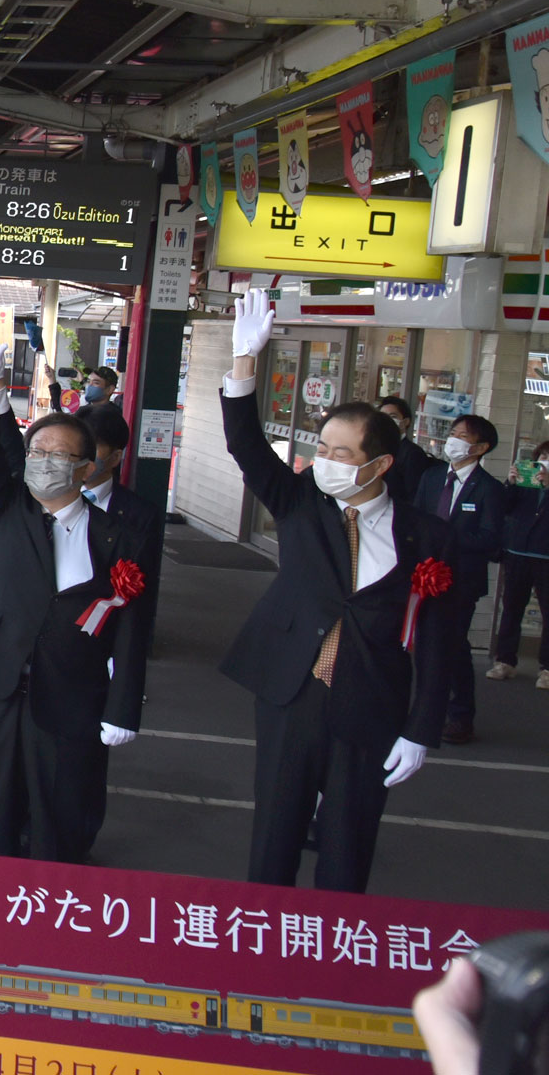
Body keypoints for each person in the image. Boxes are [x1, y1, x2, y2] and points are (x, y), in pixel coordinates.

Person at [221, 288, 451, 893]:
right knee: (275, 828)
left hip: (371, 699)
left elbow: (438, 637)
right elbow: (246, 447)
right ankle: (262, 940)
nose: (324, 461)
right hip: (291, 687)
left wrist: (422, 727)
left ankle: (332, 948)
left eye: (340, 454)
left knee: (349, 841)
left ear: (379, 466)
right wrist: (244, 363)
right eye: (320, 448)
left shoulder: (426, 536)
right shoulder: (300, 501)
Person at [0, 319, 154, 862]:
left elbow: (135, 621)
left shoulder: (117, 531)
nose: (45, 464)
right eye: (37, 453)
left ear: (87, 468)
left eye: (59, 456)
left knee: (57, 807)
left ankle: (51, 901)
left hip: (71, 691)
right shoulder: (8, 510)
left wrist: (123, 706)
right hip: (1, 681)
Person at [72, 403, 164, 855]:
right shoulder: (44, 497)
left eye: (93, 449)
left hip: (99, 653)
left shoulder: (139, 515)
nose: (80, 458)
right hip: (47, 648)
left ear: (115, 456)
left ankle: (80, 837)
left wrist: (124, 680)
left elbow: (139, 605)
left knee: (86, 759)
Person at [416, 415, 507, 744]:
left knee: (453, 647)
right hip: (421, 577)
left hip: (461, 582)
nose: (453, 440)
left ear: (480, 448)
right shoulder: (432, 476)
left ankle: (460, 716)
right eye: (452, 433)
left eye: (462, 436)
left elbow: (490, 539)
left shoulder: (489, 490)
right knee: (423, 645)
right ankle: (425, 713)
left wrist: (447, 540)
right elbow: (415, 518)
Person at [490, 439, 549, 689]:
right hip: (518, 551)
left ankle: (546, 668)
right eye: (542, 457)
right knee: (512, 608)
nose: (544, 464)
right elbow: (501, 508)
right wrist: (511, 483)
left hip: (546, 556)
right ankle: (505, 661)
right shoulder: (525, 484)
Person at [379, 395, 436, 503]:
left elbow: (413, 493)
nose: (387, 421)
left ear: (406, 421)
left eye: (393, 416)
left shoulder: (413, 453)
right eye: (383, 416)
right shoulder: (375, 448)